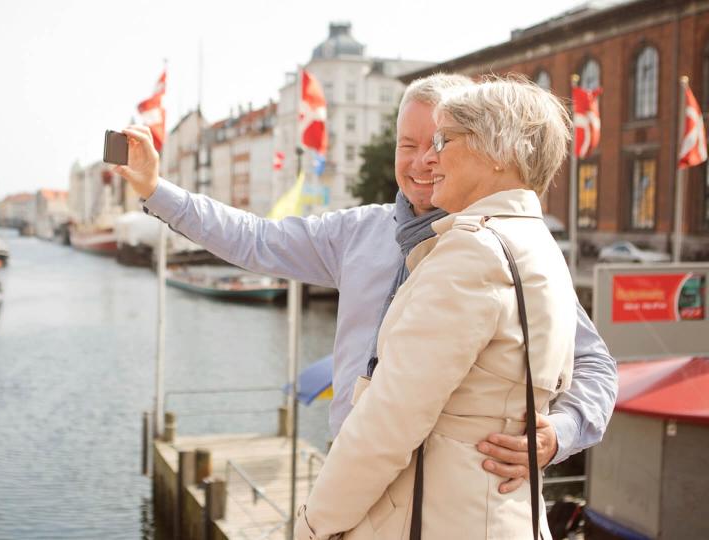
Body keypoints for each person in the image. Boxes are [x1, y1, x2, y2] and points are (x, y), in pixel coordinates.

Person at [115, 73, 616, 493]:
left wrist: (560, 433)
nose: (423, 160)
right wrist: (155, 189)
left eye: (440, 143)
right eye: (408, 145)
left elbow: (594, 363)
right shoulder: (359, 232)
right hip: (353, 468)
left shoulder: (510, 251)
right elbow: (255, 239)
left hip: (452, 488)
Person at [292, 77, 576, 538]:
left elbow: (387, 423)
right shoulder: (537, 245)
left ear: (498, 152)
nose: (430, 158)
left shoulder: (473, 254)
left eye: (444, 140)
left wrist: (312, 525)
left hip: (438, 519)